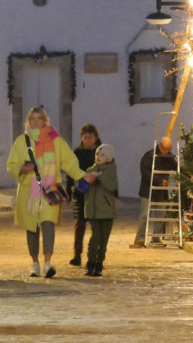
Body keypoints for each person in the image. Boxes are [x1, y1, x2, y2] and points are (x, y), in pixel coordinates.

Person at [6, 107, 96, 278]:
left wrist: (83, 176)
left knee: (48, 226)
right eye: (32, 118)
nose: (35, 121)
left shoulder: (56, 141)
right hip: (29, 192)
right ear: (28, 121)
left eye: (39, 118)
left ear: (45, 121)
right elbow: (11, 164)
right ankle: (34, 263)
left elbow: (70, 162)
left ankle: (48, 263)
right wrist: (22, 168)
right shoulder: (21, 141)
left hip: (50, 190)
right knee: (32, 229)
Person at [131, 136, 177, 248]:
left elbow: (176, 166)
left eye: (170, 148)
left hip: (161, 192)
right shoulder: (149, 156)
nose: (168, 151)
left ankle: (156, 237)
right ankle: (141, 238)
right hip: (148, 190)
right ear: (160, 146)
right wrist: (161, 180)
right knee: (145, 215)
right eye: (166, 148)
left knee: (161, 214)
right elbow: (146, 173)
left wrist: (187, 173)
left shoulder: (168, 157)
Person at [68, 123, 102, 267]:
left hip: (96, 194)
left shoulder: (101, 153)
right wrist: (68, 191)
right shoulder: (77, 153)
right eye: (85, 137)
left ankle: (95, 256)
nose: (87, 140)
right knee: (79, 225)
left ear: (96, 138)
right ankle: (77, 255)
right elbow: (71, 172)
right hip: (81, 194)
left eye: (90, 137)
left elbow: (108, 172)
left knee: (97, 227)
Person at [84, 143, 118, 277]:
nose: (98, 156)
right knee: (95, 238)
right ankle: (90, 263)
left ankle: (99, 264)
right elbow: (82, 188)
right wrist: (87, 180)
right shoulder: (90, 170)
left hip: (107, 211)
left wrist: (100, 176)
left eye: (102, 155)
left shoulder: (111, 170)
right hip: (93, 211)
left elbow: (112, 186)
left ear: (108, 158)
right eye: (97, 154)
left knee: (103, 241)